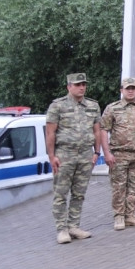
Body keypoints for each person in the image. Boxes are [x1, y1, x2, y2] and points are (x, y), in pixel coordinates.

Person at [46, 72, 106, 244]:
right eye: (78, 85)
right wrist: (52, 156)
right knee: (61, 193)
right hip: (65, 154)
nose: (82, 87)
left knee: (79, 193)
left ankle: (74, 226)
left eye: (84, 84)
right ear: (69, 87)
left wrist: (96, 152)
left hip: (85, 154)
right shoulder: (57, 106)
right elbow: (50, 132)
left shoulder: (93, 105)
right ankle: (61, 229)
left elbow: (97, 130)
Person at [101, 77, 135, 230]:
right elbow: (104, 130)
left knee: (134, 186)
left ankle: (130, 215)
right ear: (121, 90)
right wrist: (106, 153)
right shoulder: (112, 108)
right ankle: (119, 216)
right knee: (119, 186)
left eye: (133, 88)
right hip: (119, 154)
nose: (130, 91)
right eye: (127, 88)